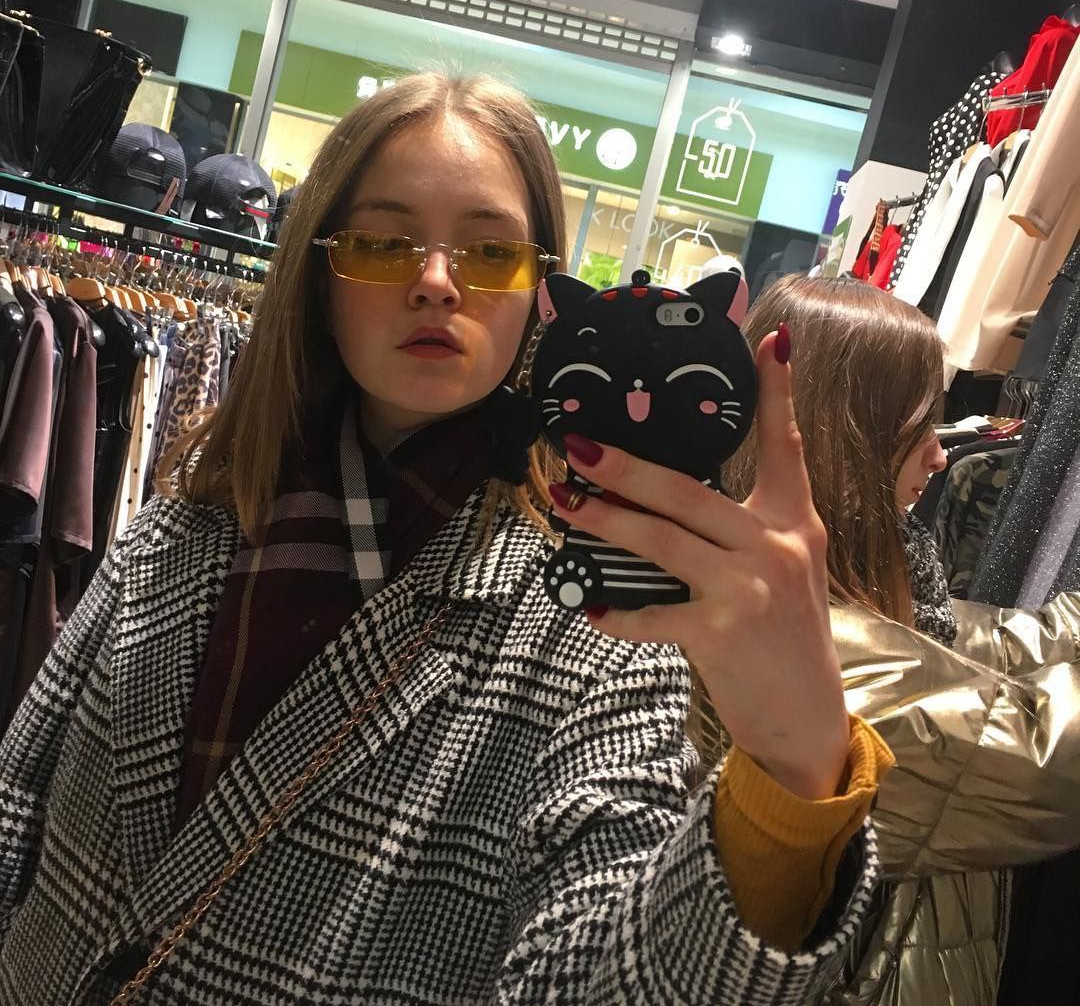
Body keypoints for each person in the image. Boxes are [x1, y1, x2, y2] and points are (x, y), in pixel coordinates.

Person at [0, 75, 891, 1005]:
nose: (434, 281)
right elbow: (18, 797)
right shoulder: (187, 517)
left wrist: (791, 781)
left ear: (541, 296)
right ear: (321, 273)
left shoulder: (593, 621)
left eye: (491, 252)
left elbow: (599, 978)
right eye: (384, 244)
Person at [717, 274, 1080, 1006]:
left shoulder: (856, 589)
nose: (941, 457)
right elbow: (1043, 758)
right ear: (837, 431)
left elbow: (991, 642)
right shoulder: (783, 641)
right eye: (917, 427)